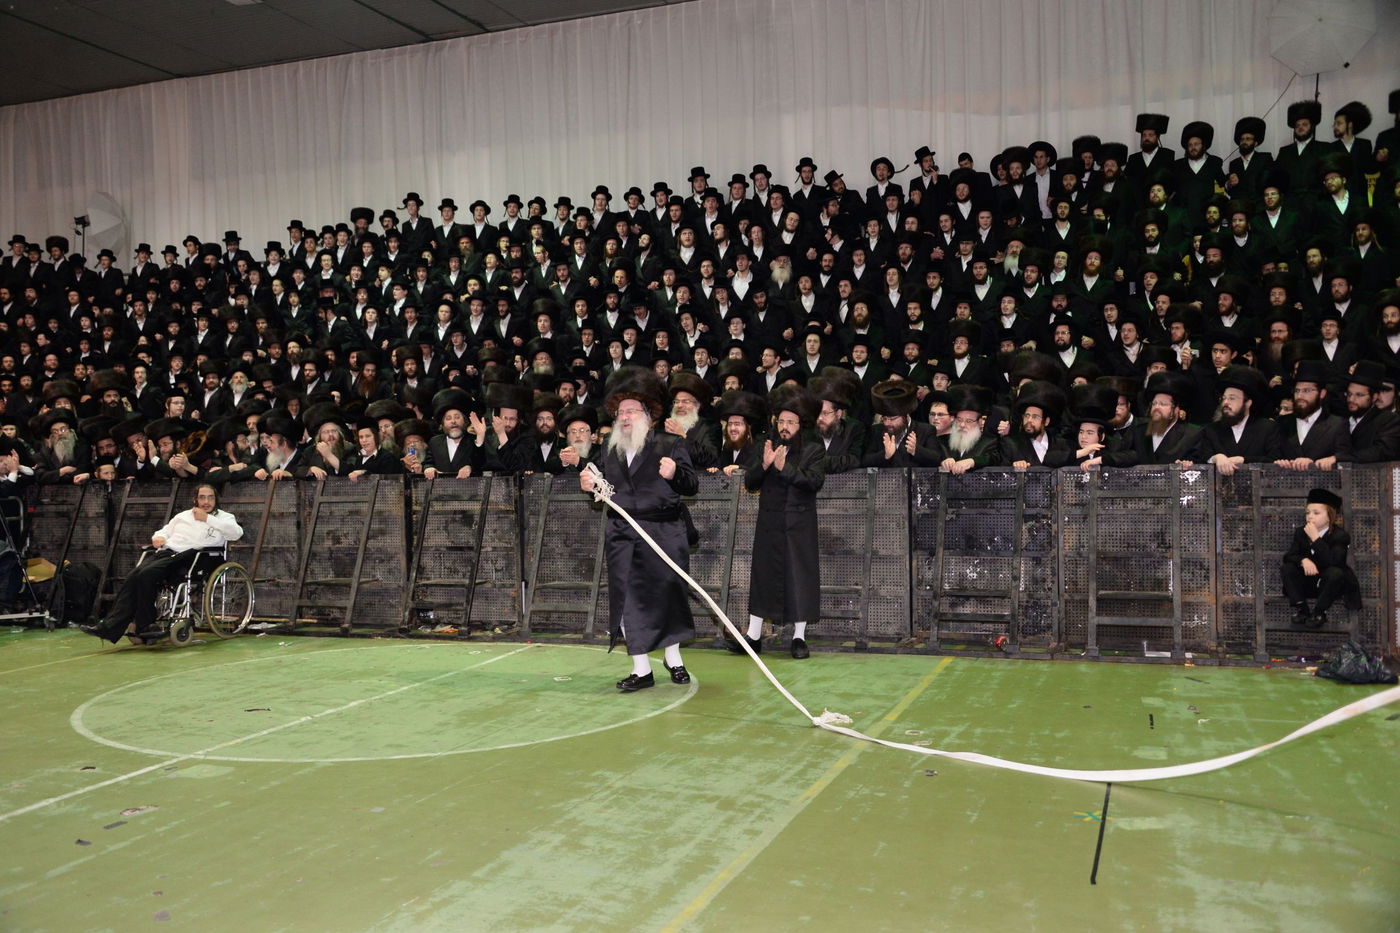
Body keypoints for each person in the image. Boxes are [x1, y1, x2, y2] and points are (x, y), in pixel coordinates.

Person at [579, 368, 699, 692]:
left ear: (647, 415)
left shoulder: (670, 443)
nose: (625, 416)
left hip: (664, 532)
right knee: (628, 599)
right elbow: (602, 490)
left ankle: (673, 658)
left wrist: (675, 473)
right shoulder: (609, 448)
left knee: (669, 596)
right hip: (623, 534)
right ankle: (641, 669)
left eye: (631, 410)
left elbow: (691, 485)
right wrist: (589, 485)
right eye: (620, 412)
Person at [81, 484, 243, 643]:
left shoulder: (224, 517)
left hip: (195, 556)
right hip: (168, 552)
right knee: (133, 576)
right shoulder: (183, 516)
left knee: (146, 574)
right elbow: (165, 531)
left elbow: (236, 533)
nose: (206, 501)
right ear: (195, 499)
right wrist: (159, 538)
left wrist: (207, 518)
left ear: (216, 499)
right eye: (202, 497)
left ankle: (145, 624)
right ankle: (110, 627)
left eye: (210, 498)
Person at [735, 385, 825, 659]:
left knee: (800, 578)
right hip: (769, 521)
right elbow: (750, 482)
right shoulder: (766, 445)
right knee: (763, 576)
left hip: (799, 524)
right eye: (781, 421)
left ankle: (799, 638)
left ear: (801, 424)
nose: (784, 427)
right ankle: (753, 636)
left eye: (791, 422)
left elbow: (813, 481)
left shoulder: (813, 449)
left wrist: (784, 468)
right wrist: (764, 465)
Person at [1280, 488, 1360, 629]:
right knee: (1287, 568)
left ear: (1329, 516)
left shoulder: (1340, 536)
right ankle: (1302, 609)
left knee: (1336, 573)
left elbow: (1334, 562)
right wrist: (1303, 560)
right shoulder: (1301, 532)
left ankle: (1318, 613)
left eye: (1316, 513)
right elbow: (1289, 556)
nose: (1310, 517)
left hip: (1329, 586)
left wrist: (1316, 539)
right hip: (1308, 582)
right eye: (1308, 513)